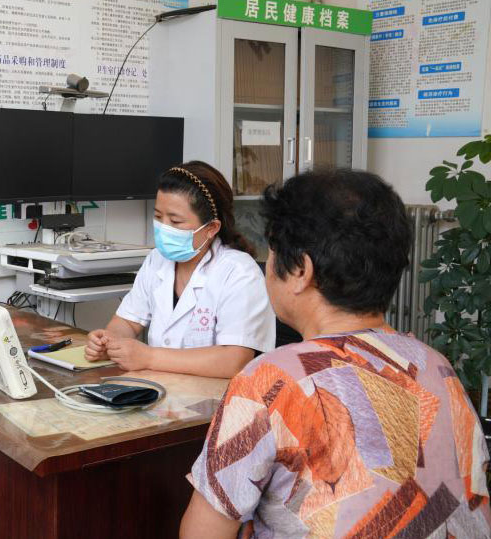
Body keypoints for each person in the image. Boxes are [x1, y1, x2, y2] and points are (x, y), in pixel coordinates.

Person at [181, 169, 490, 538]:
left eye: (273, 252)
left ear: (300, 270)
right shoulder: (435, 366)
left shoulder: (269, 381)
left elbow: (203, 533)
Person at [85, 161, 275, 378]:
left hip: (217, 400)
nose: (164, 227)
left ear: (211, 228)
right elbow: (128, 320)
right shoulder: (157, 260)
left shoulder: (239, 272)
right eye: (158, 217)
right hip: (163, 390)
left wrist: (149, 357)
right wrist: (108, 340)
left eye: (175, 221)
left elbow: (234, 360)